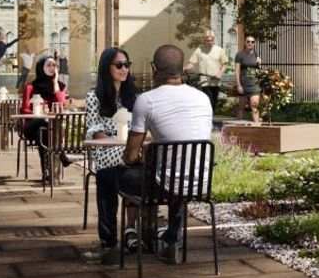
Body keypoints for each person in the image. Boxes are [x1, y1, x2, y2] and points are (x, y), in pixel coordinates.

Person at [96, 43, 215, 260]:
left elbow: (130, 156)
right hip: (201, 183)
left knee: (105, 177)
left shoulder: (147, 100)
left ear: (153, 68)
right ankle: (172, 241)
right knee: (181, 173)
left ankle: (109, 246)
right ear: (182, 68)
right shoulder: (203, 99)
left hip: (161, 188)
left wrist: (141, 159)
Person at [77, 45, 139, 259]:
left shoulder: (134, 96)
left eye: (127, 65)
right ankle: (109, 242)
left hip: (131, 153)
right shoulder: (95, 96)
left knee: (108, 178)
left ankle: (111, 241)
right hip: (109, 152)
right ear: (107, 68)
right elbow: (93, 128)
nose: (124, 69)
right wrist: (114, 139)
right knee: (106, 173)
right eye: (119, 65)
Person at [21, 53, 66, 145]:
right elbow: (25, 110)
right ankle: (58, 156)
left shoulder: (60, 86)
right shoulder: (30, 87)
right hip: (32, 126)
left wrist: (55, 83)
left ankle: (47, 159)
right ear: (41, 67)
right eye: (49, 65)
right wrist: (41, 114)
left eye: (54, 65)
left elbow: (60, 104)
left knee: (44, 131)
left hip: (51, 126)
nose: (52, 68)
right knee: (44, 123)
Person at [185, 31, 230, 107]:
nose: (209, 42)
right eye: (208, 40)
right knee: (207, 101)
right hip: (204, 81)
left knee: (213, 103)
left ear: (214, 40)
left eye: (211, 40)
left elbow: (225, 64)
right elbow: (192, 63)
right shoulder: (199, 50)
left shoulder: (219, 50)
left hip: (215, 81)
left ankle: (210, 117)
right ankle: (208, 118)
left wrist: (220, 73)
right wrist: (183, 68)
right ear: (205, 40)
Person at [233, 35, 265, 125]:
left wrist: (259, 64)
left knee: (255, 107)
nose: (250, 43)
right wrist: (238, 85)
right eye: (248, 41)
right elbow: (237, 71)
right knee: (241, 108)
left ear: (254, 44)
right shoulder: (240, 55)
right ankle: (237, 129)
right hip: (243, 85)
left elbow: (259, 70)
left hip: (254, 85)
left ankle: (257, 127)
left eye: (252, 42)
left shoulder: (256, 54)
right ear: (245, 43)